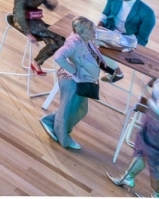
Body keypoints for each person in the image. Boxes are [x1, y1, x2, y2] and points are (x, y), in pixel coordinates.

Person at [111, 51, 159, 196]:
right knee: (140, 150)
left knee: (155, 162)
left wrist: (148, 97)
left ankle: (158, 195)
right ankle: (127, 178)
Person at [40, 16, 109, 150]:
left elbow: (92, 48)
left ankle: (50, 121)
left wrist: (101, 59)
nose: (95, 33)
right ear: (82, 32)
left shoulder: (85, 39)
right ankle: (63, 137)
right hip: (72, 81)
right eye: (92, 31)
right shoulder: (74, 43)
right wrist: (73, 70)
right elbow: (58, 56)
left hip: (81, 79)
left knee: (80, 109)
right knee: (69, 110)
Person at [10, 0, 64, 75]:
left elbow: (49, 6)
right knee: (61, 38)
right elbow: (19, 13)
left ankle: (36, 62)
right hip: (23, 21)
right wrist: (28, 34)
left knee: (54, 43)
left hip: (35, 20)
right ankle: (67, 66)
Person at [98, 0, 156, 82]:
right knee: (87, 41)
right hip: (110, 30)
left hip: (128, 38)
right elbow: (105, 13)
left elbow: (142, 39)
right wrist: (99, 25)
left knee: (98, 50)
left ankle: (116, 72)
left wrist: (123, 45)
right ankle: (116, 73)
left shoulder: (148, 13)